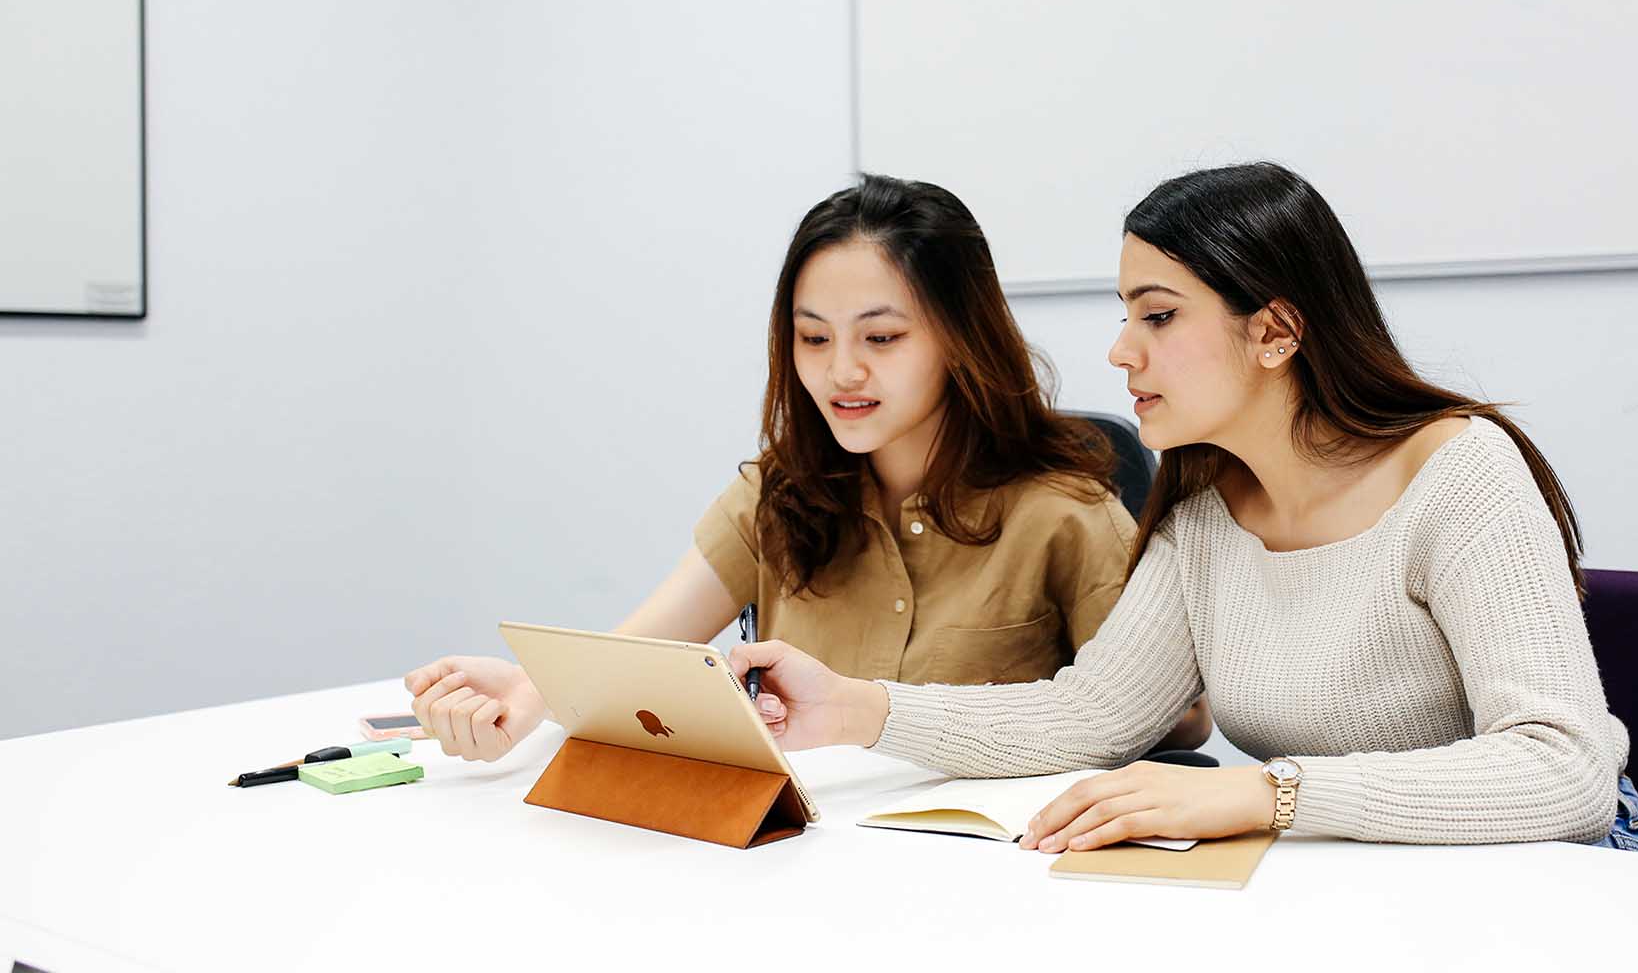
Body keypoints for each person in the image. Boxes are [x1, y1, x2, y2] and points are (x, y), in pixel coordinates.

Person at [727, 162, 1638, 855]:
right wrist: (853, 709)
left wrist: (1272, 795)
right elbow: (1088, 717)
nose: (1121, 352)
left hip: (1555, 881)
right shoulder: (1207, 509)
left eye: (1159, 315)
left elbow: (1562, 771)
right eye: (1125, 314)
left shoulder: (1461, 475)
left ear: (1277, 331)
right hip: (1364, 884)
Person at [405, 174, 1213, 763]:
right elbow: (633, 658)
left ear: (960, 339)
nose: (841, 372)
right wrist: (531, 689)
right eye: (814, 337)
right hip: (795, 868)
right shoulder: (776, 496)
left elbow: (1165, 718)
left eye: (882, 338)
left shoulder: (1062, 510)